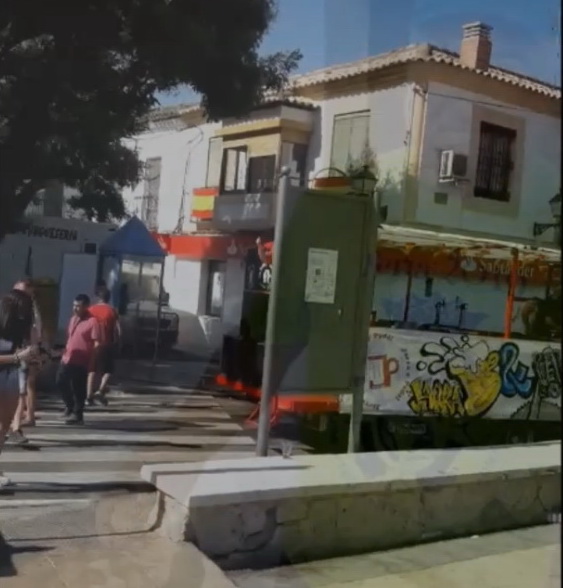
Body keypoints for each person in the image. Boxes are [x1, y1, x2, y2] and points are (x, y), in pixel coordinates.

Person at [0, 290, 37, 489]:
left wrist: (32, 354)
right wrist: (17, 357)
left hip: (10, 374)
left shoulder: (18, 329)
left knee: (3, 426)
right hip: (6, 371)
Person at [9, 279, 42, 445]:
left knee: (20, 391)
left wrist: (35, 353)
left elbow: (36, 333)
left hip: (22, 355)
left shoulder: (30, 311)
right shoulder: (6, 308)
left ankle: (16, 428)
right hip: (7, 354)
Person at [57, 294, 100, 425]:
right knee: (60, 381)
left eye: (78, 306)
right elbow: (70, 337)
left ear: (86, 307)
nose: (75, 308)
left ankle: (77, 414)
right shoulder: (73, 319)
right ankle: (70, 405)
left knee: (78, 387)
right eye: (74, 305)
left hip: (82, 360)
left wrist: (92, 361)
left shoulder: (92, 322)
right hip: (68, 357)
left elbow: (97, 343)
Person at [87, 285, 120, 406]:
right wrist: (117, 342)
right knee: (108, 370)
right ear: (108, 298)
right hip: (107, 344)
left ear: (97, 297)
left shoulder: (90, 310)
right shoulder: (112, 311)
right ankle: (100, 391)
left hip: (93, 344)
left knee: (91, 370)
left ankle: (89, 396)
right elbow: (118, 330)